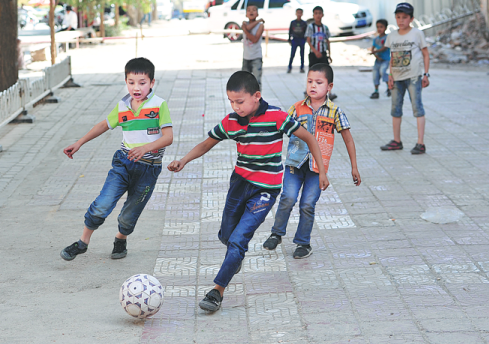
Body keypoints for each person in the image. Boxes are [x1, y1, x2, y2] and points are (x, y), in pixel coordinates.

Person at [168, 71, 328, 311]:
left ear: (256, 96)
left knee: (239, 240)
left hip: (267, 189)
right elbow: (205, 144)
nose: (235, 107)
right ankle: (234, 258)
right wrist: (183, 160)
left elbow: (309, 138)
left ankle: (216, 291)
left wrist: (321, 171)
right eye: (231, 101)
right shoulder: (231, 121)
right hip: (240, 183)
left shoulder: (276, 116)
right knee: (227, 235)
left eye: (240, 101)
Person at [60, 58, 173, 261]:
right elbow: (104, 125)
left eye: (142, 82)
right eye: (131, 82)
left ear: (152, 83)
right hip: (123, 163)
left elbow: (168, 137)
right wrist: (80, 142)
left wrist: (145, 148)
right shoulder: (123, 106)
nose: (136, 87)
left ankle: (120, 239)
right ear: (126, 82)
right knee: (103, 203)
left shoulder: (159, 105)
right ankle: (82, 243)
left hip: (149, 169)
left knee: (130, 213)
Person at [263, 63, 361, 258]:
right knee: (288, 197)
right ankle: (277, 233)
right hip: (294, 164)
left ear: (329, 87)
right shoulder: (296, 109)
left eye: (319, 82)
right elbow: (279, 130)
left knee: (308, 204)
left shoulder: (335, 112)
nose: (313, 86)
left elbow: (348, 139)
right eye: (309, 81)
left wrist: (354, 167)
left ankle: (303, 243)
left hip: (318, 169)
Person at [380, 2, 430, 154]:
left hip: (414, 77)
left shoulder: (417, 34)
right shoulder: (392, 36)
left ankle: (420, 143)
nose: (401, 20)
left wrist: (426, 74)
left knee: (417, 108)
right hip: (396, 78)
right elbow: (392, 56)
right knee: (395, 109)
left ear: (412, 18)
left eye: (405, 17)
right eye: (398, 17)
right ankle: (396, 141)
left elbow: (426, 54)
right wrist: (390, 75)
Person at [305, 6, 337, 100]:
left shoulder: (325, 28)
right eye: (316, 13)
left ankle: (329, 92)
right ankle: (310, 92)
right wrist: (315, 51)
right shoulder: (311, 27)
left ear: (322, 15)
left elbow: (327, 41)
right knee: (312, 73)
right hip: (313, 54)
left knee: (326, 73)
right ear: (313, 15)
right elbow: (308, 40)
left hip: (323, 53)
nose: (318, 15)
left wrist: (329, 54)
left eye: (319, 13)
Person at [241, 5, 264, 88]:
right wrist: (259, 20)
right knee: (244, 82)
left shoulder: (260, 25)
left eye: (254, 10)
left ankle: (257, 100)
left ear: (257, 13)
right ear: (246, 14)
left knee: (256, 81)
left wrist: (245, 31)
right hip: (246, 57)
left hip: (256, 57)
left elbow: (254, 39)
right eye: (248, 10)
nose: (251, 12)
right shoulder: (244, 23)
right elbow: (247, 27)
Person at [369, 19, 391, 99]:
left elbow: (384, 48)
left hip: (385, 60)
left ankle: (389, 87)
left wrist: (375, 51)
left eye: (381, 27)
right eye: (378, 27)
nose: (379, 29)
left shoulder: (387, 38)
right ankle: (376, 91)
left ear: (385, 28)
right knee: (375, 75)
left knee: (383, 72)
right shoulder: (376, 39)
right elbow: (373, 48)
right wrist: (375, 55)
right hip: (378, 60)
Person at [287, 8, 307, 74]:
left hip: (301, 39)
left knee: (302, 54)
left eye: (300, 13)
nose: (299, 14)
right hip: (295, 39)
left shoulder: (304, 23)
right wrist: (289, 39)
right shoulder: (293, 22)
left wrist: (305, 39)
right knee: (292, 54)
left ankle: (302, 67)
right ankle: (289, 67)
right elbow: (290, 31)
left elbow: (306, 32)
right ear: (296, 13)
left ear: (302, 14)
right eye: (298, 13)